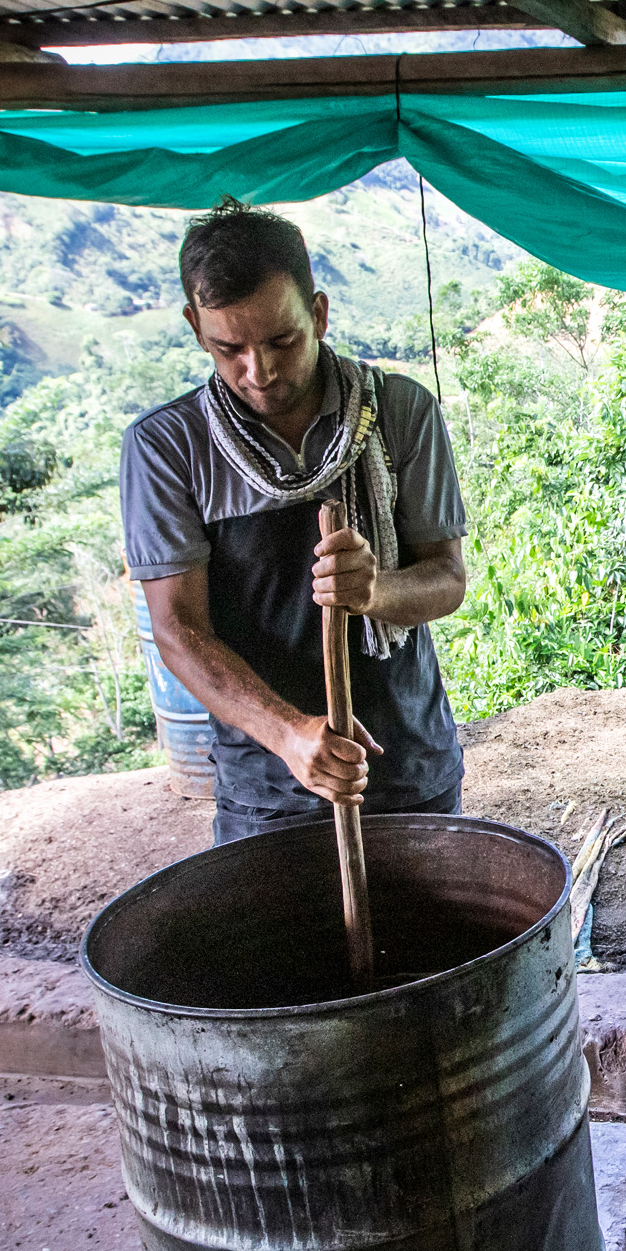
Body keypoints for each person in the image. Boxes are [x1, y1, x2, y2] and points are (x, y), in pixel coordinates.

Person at [120, 200, 469, 846]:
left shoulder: (398, 411)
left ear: (319, 312)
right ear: (196, 328)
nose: (261, 371)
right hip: (269, 788)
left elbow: (446, 580)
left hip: (409, 759)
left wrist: (375, 592)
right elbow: (177, 630)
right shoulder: (168, 446)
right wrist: (289, 734)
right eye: (229, 348)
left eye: (282, 340)